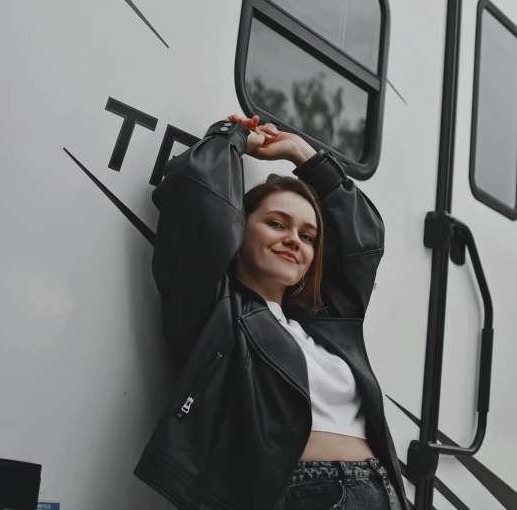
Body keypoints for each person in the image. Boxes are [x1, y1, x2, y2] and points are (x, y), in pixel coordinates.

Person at [135, 115, 409, 510]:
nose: (293, 240)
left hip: (381, 489)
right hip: (301, 494)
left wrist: (302, 153)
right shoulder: (217, 308)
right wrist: (232, 136)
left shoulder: (324, 324)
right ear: (240, 232)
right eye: (277, 223)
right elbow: (198, 200)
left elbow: (363, 236)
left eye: (307, 236)